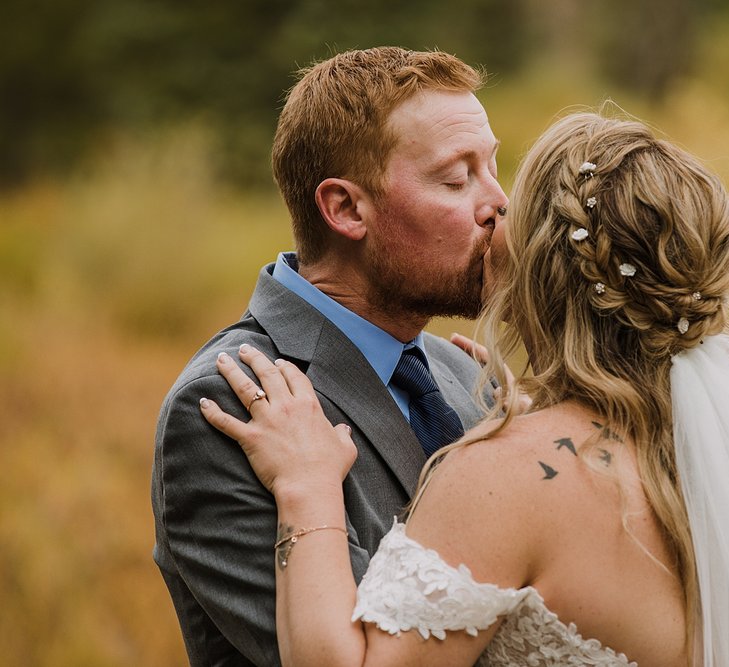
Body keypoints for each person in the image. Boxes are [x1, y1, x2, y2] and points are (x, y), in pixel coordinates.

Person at [201, 112, 729, 666]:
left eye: (510, 206)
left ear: (539, 265)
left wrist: (308, 487)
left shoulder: (505, 475)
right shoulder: (720, 461)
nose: (492, 209)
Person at [152, 47, 508, 666]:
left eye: (493, 167)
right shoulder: (228, 404)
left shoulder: (464, 375)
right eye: (457, 179)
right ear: (344, 208)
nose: (497, 204)